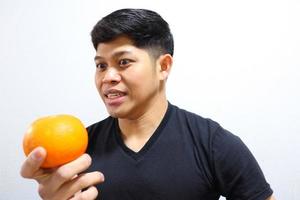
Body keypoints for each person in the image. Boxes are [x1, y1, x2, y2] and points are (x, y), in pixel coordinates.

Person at [21, 8, 275, 200]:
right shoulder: (79, 151)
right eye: (101, 65)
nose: (107, 77)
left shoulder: (212, 143)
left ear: (163, 66)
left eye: (123, 62)